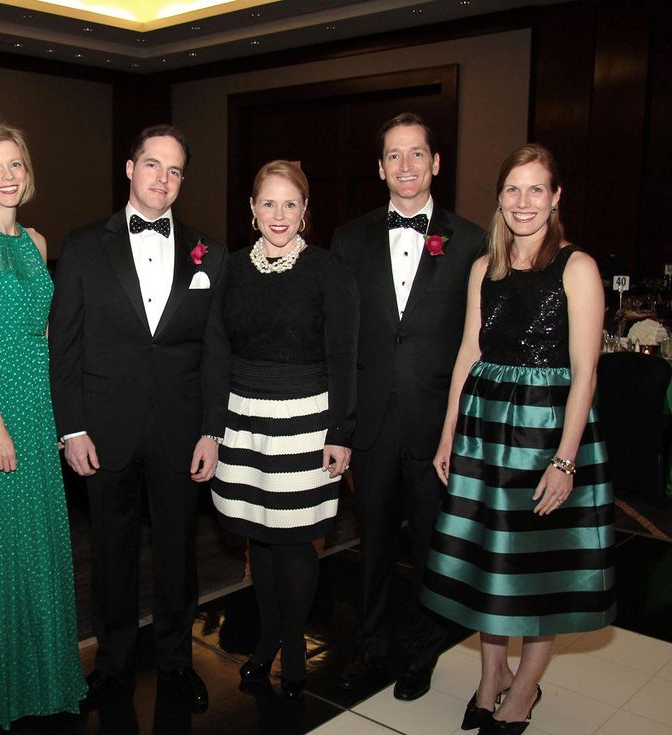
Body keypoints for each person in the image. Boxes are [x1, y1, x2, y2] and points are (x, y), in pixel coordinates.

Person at [422, 144, 614, 734]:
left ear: (555, 198)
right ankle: (491, 676)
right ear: (499, 198)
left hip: (545, 431)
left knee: (536, 571)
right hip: (484, 429)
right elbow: (467, 353)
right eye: (512, 189)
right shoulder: (485, 267)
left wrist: (565, 461)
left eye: (536, 189)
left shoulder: (577, 267)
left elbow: (586, 372)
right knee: (490, 561)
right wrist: (449, 434)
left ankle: (525, 688)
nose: (523, 202)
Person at [49, 124, 228, 712]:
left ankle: (177, 661)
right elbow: (64, 347)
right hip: (104, 430)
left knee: (178, 554)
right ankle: (113, 665)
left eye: (175, 170)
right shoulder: (83, 244)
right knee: (111, 555)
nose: (163, 179)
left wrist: (212, 430)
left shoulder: (209, 252)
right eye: (153, 165)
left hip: (181, 430)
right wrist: (71, 428)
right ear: (129, 168)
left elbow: (216, 351)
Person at [331, 112, 487, 700]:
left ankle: (422, 652)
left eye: (416, 153)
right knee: (371, 543)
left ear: (436, 162)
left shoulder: (471, 241)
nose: (406, 165)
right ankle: (372, 646)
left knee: (429, 545)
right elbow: (341, 341)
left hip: (436, 425)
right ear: (380, 168)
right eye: (393, 155)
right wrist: (341, 425)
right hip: (370, 423)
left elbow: (478, 342)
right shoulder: (349, 239)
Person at [0, 123, 86, 732]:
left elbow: (49, 333)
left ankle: (44, 680)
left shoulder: (35, 239)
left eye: (16, 165)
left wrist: (64, 411)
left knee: (38, 546)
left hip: (38, 405)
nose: (7, 177)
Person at [211, 160, 358, 699]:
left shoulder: (327, 268)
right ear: (251, 210)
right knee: (260, 538)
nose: (279, 215)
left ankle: (292, 643)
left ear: (305, 211)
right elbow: (217, 349)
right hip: (243, 421)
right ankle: (269, 638)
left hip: (306, 423)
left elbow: (344, 356)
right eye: (268, 203)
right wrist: (213, 428)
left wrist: (341, 431)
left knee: (295, 542)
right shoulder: (230, 268)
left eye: (290, 204)